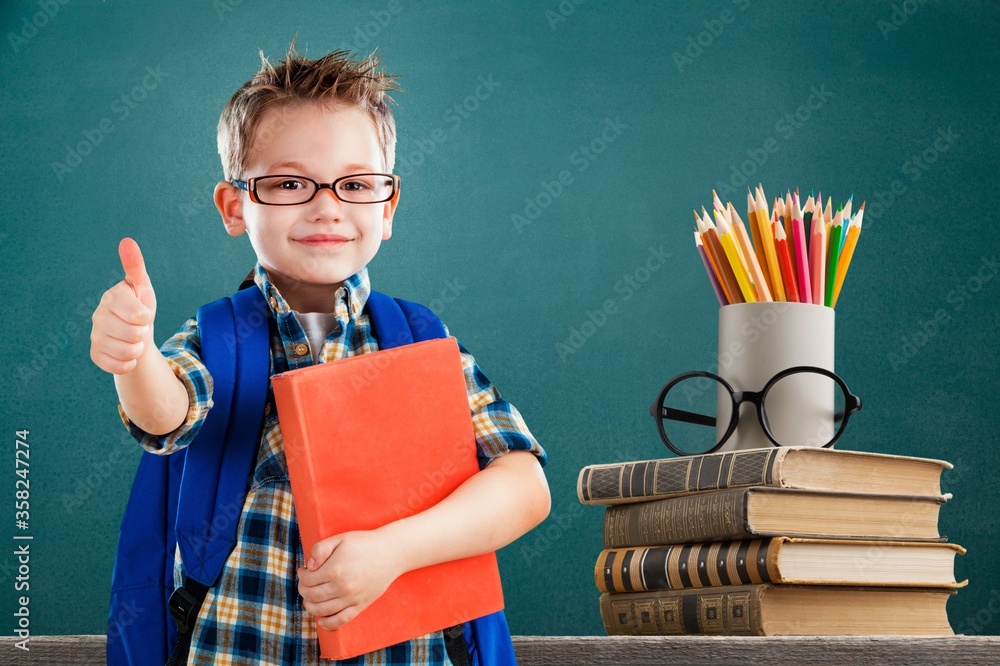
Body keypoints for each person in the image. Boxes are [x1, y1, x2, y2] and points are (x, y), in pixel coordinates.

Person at [89, 43, 550, 664]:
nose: (326, 206)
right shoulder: (219, 336)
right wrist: (133, 356)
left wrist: (393, 552)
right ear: (234, 206)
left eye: (355, 184)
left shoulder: (421, 339)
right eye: (288, 183)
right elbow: (166, 413)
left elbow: (523, 486)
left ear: (387, 207)